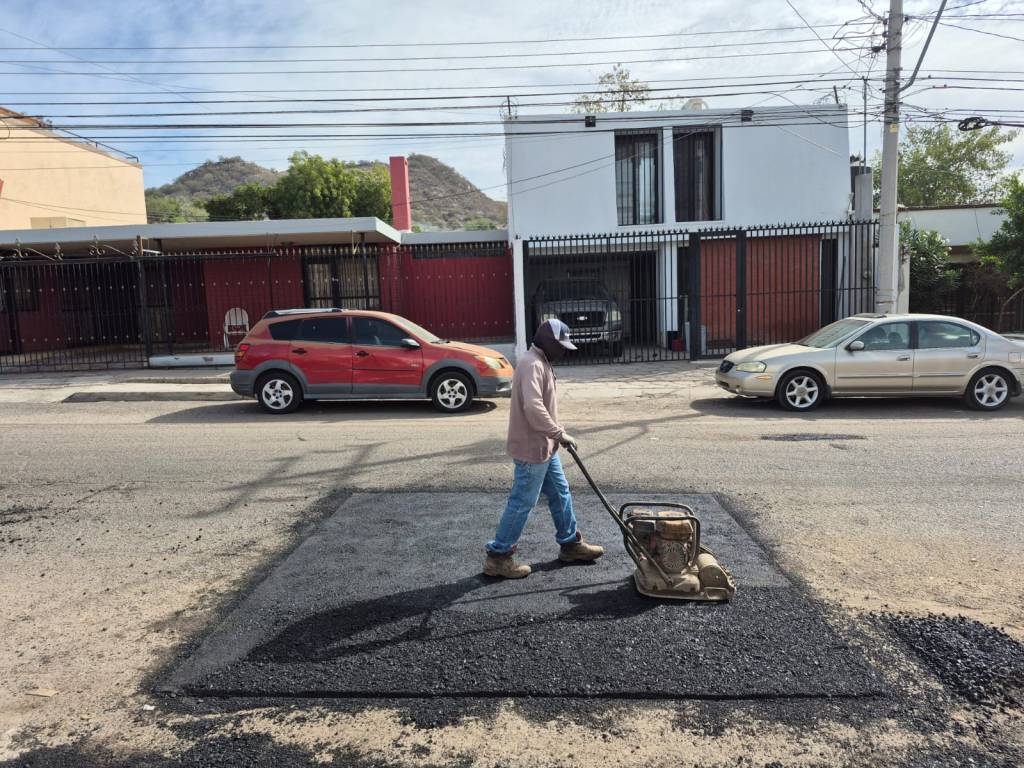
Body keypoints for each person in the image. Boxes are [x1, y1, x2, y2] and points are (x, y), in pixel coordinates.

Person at [483, 319, 604, 579]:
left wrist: (555, 436)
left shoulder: (542, 361)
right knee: (522, 503)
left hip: (545, 447)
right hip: (532, 450)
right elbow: (534, 407)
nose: (563, 352)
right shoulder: (532, 364)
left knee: (560, 493)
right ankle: (498, 557)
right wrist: (558, 433)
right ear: (549, 343)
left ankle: (570, 544)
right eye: (561, 346)